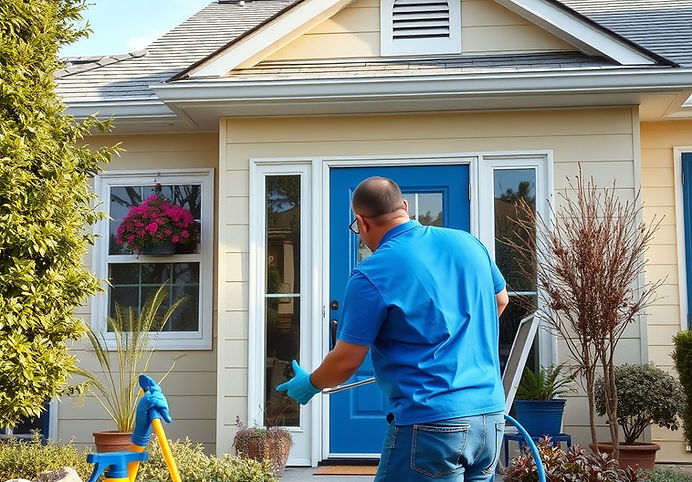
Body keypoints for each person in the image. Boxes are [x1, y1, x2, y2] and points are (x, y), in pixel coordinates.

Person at [277, 176, 509, 481]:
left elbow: (346, 361)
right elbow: (500, 301)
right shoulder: (468, 244)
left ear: (361, 222)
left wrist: (310, 383)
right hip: (490, 420)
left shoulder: (372, 272)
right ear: (405, 206)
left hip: (432, 426)